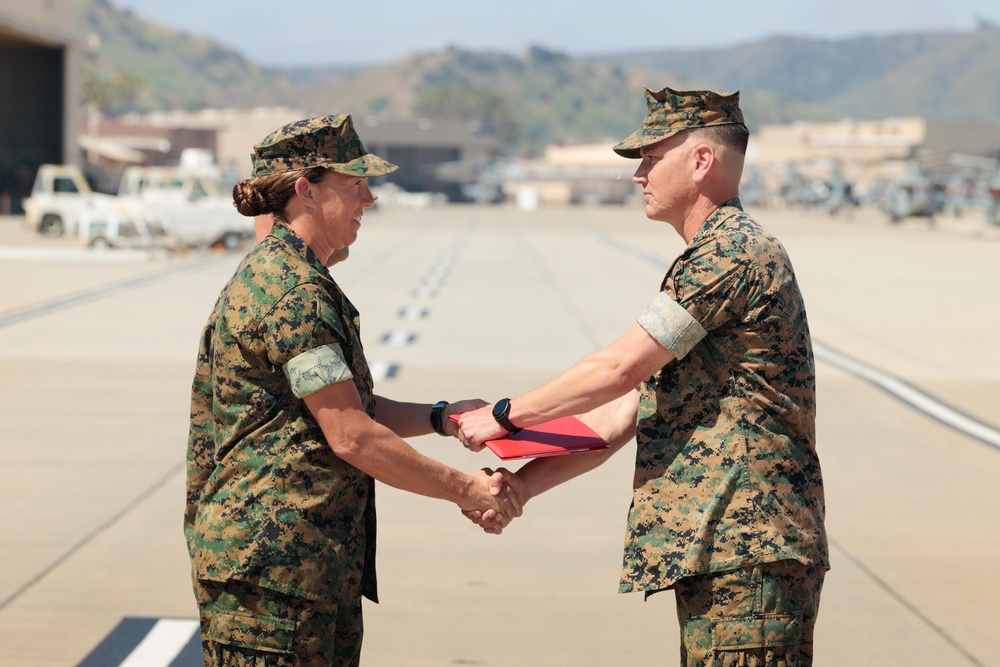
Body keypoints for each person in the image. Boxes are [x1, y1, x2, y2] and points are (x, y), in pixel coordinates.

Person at [458, 87, 829, 666]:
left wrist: (504, 415)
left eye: (652, 158)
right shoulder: (713, 256)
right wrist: (522, 486)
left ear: (701, 161)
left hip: (747, 549)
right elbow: (621, 412)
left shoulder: (730, 255)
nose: (638, 174)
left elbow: (617, 368)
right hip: (723, 550)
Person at [185, 114, 521, 667]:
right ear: (306, 191)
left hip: (301, 572)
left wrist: (444, 417)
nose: (369, 198)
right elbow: (351, 437)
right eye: (355, 183)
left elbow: (353, 409)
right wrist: (466, 489)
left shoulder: (297, 279)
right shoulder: (292, 293)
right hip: (274, 577)